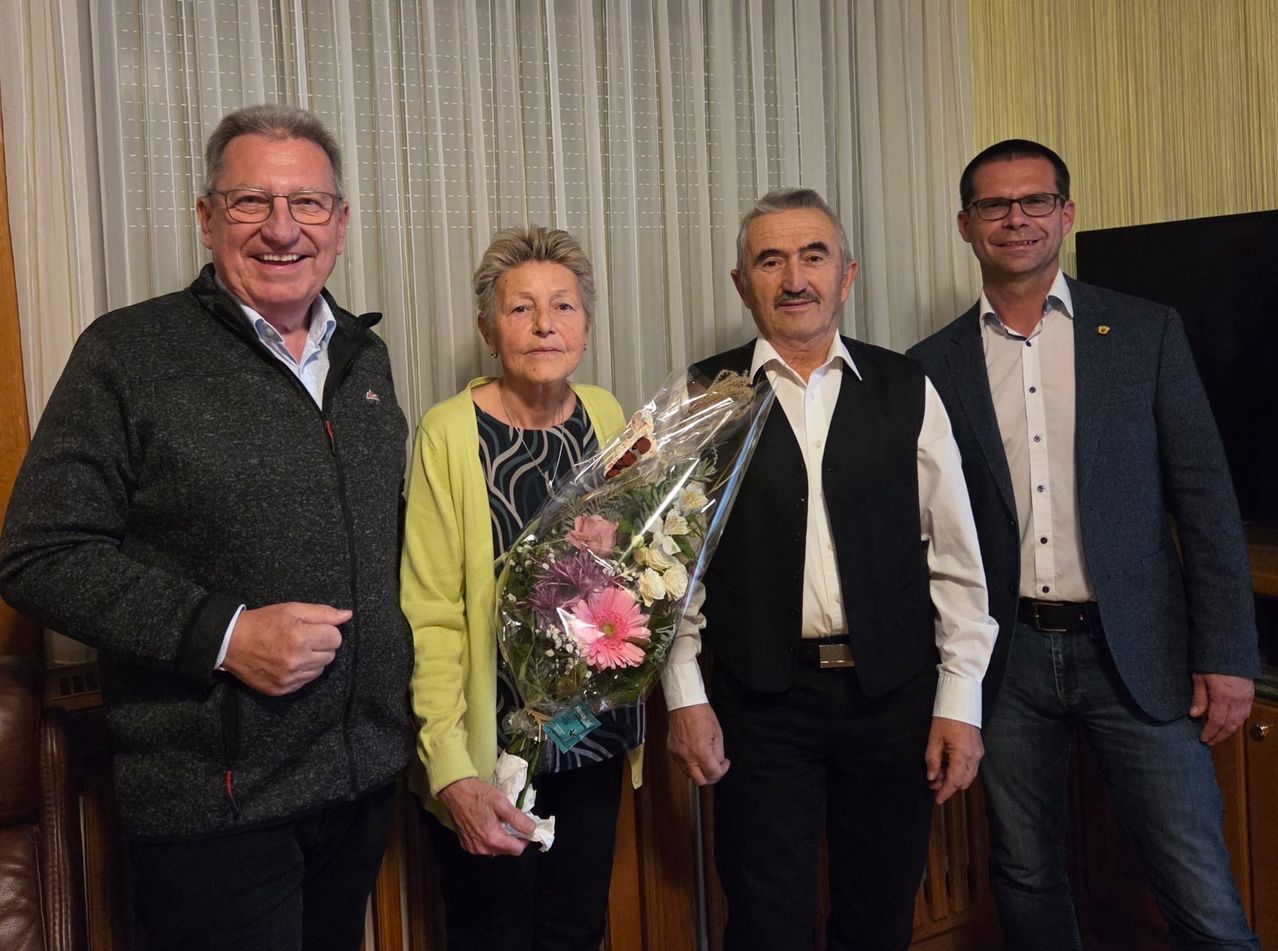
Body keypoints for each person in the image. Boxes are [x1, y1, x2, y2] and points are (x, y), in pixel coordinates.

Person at [0, 104, 413, 950]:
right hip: (216, 805)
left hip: (361, 785)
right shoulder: (127, 353)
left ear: (340, 223)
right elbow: (40, 554)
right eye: (249, 202)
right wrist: (222, 633)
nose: (281, 229)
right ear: (205, 218)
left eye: (306, 204)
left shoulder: (365, 361)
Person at [908, 139, 1260, 950]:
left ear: (1066, 213)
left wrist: (1230, 652)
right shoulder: (934, 365)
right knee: (1026, 873)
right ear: (966, 225)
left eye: (1035, 200)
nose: (1016, 219)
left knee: (1197, 884)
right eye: (995, 205)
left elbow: (1204, 497)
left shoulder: (1144, 333)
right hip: (1010, 660)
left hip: (1137, 649)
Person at [660, 188, 998, 950]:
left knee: (879, 913)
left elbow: (956, 560)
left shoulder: (907, 387)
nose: (794, 278)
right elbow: (675, 568)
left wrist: (960, 700)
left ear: (847, 275)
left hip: (894, 697)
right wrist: (686, 695)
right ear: (742, 284)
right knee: (765, 915)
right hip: (760, 702)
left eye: (813, 256)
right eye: (770, 260)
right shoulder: (704, 397)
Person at [400, 225, 630, 951]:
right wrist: (449, 766)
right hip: (489, 752)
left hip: (591, 739)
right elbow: (430, 614)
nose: (543, 325)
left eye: (562, 307)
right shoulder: (448, 432)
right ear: (487, 328)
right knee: (492, 932)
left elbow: (638, 574)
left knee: (577, 928)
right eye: (520, 308)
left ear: (586, 325)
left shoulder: (609, 417)